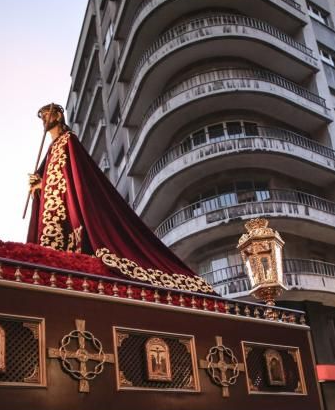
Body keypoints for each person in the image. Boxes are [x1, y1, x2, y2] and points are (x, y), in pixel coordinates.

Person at [26, 103, 212, 293]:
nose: (45, 120)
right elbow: (50, 180)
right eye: (43, 117)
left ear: (58, 116)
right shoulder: (50, 150)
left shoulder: (68, 141)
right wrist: (38, 184)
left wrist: (45, 182)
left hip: (68, 211)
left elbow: (71, 176)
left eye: (48, 115)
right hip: (55, 215)